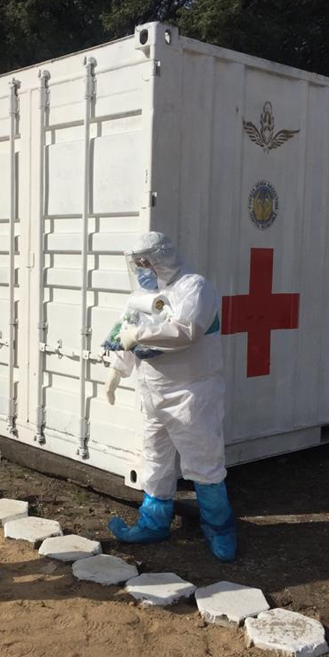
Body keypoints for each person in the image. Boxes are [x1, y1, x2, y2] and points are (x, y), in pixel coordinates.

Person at [104, 232, 237, 562]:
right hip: (153, 393)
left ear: (161, 258)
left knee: (203, 462)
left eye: (145, 262)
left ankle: (219, 528)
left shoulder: (194, 287)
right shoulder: (142, 295)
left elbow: (187, 330)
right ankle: (153, 523)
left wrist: (139, 334)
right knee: (155, 459)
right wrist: (116, 370)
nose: (141, 270)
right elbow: (125, 331)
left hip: (191, 393)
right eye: (137, 264)